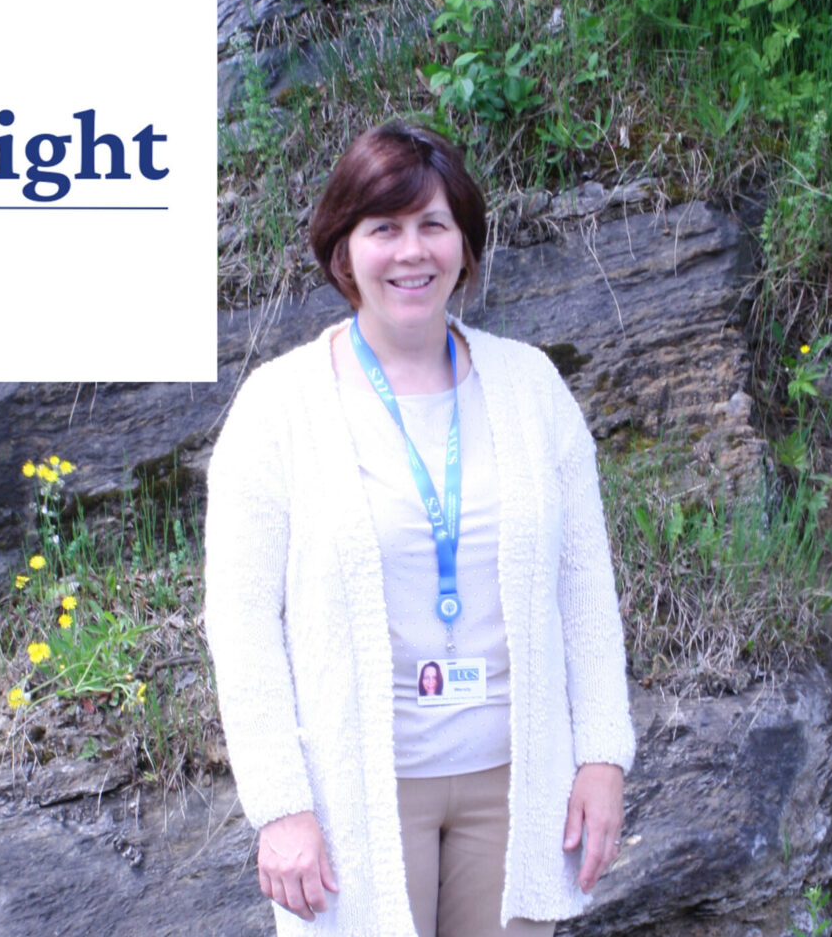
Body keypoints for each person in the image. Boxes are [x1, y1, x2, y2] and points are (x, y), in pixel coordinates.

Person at [204, 122, 635, 937]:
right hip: (356, 794)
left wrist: (602, 756)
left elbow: (585, 583)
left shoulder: (531, 387)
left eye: (434, 225)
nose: (412, 252)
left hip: (516, 781)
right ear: (344, 252)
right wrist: (280, 805)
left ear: (465, 247)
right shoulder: (278, 406)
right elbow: (241, 622)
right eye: (384, 228)